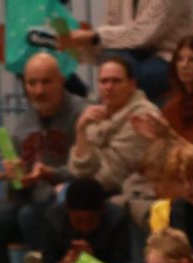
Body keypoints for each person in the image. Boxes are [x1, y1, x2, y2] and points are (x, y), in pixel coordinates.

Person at [0, 53, 87, 263]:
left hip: (69, 200)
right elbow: (16, 195)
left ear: (61, 80)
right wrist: (17, 179)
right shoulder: (24, 124)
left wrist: (52, 175)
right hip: (32, 199)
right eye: (32, 83)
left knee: (29, 216)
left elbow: (88, 171)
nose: (39, 90)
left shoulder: (82, 114)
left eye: (46, 82)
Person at [60, 0, 193, 100]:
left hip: (171, 57)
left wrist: (94, 37)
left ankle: (105, 114)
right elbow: (110, 36)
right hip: (131, 53)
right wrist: (80, 44)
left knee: (120, 76)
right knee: (111, 62)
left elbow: (142, 35)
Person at [69, 57, 164, 201]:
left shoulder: (144, 115)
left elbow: (114, 174)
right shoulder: (94, 114)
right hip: (91, 189)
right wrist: (81, 129)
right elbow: (78, 170)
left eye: (116, 81)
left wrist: (78, 189)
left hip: (132, 193)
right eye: (104, 81)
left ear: (132, 85)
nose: (109, 87)